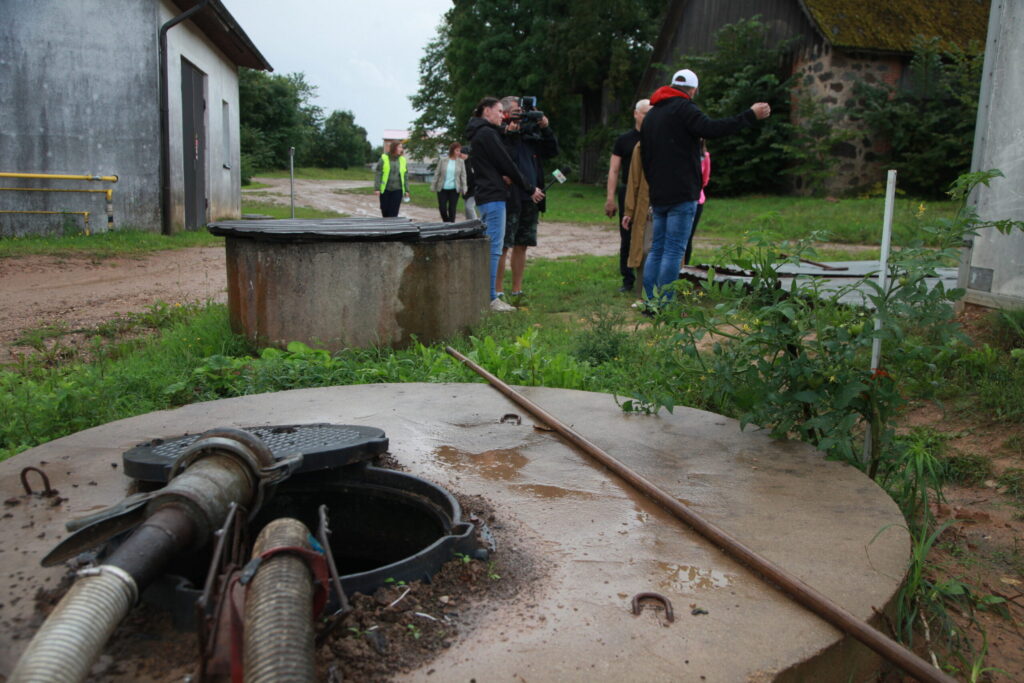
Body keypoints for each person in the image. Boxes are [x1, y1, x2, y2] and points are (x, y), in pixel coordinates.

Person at [640, 68, 770, 304]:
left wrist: (654, 185)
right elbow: (712, 129)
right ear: (693, 90)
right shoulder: (685, 108)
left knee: (657, 249)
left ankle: (651, 300)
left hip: (658, 193)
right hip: (682, 192)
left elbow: (645, 157)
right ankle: (664, 304)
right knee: (672, 250)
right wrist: (749, 116)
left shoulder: (651, 116)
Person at [464, 96, 544, 311]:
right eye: (499, 111)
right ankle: (491, 298)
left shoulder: (482, 133)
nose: (502, 116)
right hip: (494, 197)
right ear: (486, 111)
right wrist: (529, 188)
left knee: (493, 246)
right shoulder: (487, 134)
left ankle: (489, 295)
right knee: (495, 248)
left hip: (488, 195)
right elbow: (507, 163)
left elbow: (497, 163)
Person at [495, 96, 559, 301]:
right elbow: (502, 158)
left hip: (532, 196)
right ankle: (497, 290)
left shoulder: (531, 134)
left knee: (522, 243)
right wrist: (511, 131)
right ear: (505, 113)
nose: (521, 115)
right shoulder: (500, 133)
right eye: (517, 111)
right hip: (510, 196)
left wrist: (545, 127)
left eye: (523, 111)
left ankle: (517, 289)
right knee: (504, 244)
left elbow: (552, 151)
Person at [605, 99, 651, 292]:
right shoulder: (624, 140)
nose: (648, 117)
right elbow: (614, 170)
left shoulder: (656, 137)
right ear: (636, 114)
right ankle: (627, 279)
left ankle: (647, 278)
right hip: (629, 191)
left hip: (650, 191)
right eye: (645, 113)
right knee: (627, 235)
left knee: (648, 235)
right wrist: (610, 198)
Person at [621, 141, 651, 300]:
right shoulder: (641, 146)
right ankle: (643, 295)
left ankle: (667, 296)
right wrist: (629, 210)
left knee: (670, 251)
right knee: (644, 250)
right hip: (647, 208)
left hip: (674, 205)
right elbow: (634, 180)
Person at [684, 140, 711, 265]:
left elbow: (705, 179)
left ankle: (685, 267)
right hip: (680, 198)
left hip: (697, 199)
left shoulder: (705, 156)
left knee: (688, 237)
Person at [430, 141, 468, 222]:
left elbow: (463, 175)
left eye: (459, 151)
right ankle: (446, 222)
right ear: (452, 150)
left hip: (454, 189)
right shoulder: (443, 160)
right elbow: (437, 173)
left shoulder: (461, 162)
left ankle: (451, 226)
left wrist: (464, 187)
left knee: (452, 209)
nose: (459, 152)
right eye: (457, 150)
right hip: (442, 188)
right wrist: (433, 185)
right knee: (442, 208)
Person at [374, 141, 409, 218]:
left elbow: (405, 175)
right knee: (385, 210)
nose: (401, 149)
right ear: (394, 148)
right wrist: (377, 188)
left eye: (401, 147)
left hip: (398, 189)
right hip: (385, 189)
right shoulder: (384, 158)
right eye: (400, 147)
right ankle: (386, 227)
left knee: (393, 212)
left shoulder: (403, 160)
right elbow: (378, 173)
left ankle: (392, 229)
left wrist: (406, 190)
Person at [461, 148, 478, 220]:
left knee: (469, 207)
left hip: (474, 189)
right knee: (467, 209)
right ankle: (468, 224)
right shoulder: (461, 163)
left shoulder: (472, 162)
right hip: (466, 190)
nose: (461, 155)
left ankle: (476, 224)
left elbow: (474, 176)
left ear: (467, 154)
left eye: (462, 154)